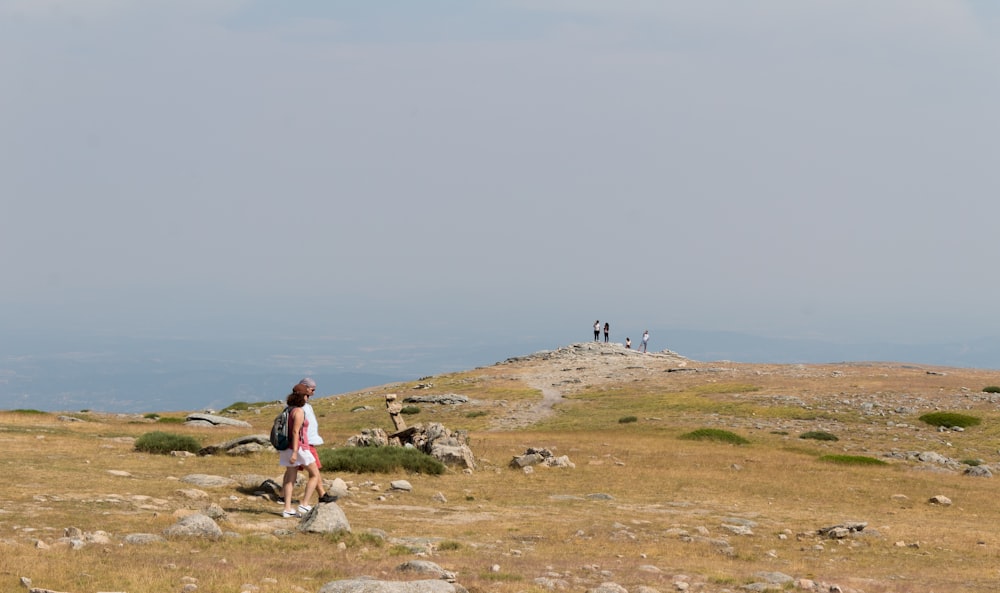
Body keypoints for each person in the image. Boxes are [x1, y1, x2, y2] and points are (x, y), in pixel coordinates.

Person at [279, 388, 321, 518]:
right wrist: (296, 452)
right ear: (303, 397)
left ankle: (287, 509)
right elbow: (296, 432)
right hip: (299, 448)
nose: (308, 398)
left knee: (290, 478)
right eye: (307, 396)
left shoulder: (288, 410)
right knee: (314, 474)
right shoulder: (299, 411)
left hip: (286, 448)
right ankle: (304, 503)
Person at [297, 378, 338, 504]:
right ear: (305, 388)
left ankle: (283, 495)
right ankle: (321, 495)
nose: (314, 392)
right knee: (315, 470)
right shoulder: (301, 406)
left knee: (293, 470)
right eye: (312, 389)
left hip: (305, 442)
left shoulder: (304, 405)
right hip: (305, 443)